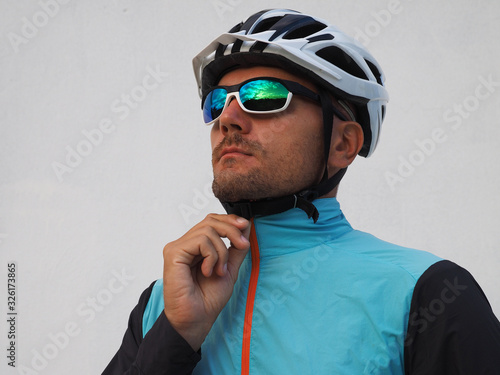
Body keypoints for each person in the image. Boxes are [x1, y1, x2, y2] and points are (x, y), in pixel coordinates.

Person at [103, 9, 500, 375]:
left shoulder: (426, 292)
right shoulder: (163, 303)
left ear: (343, 144)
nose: (228, 118)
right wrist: (176, 334)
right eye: (217, 102)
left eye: (264, 95)